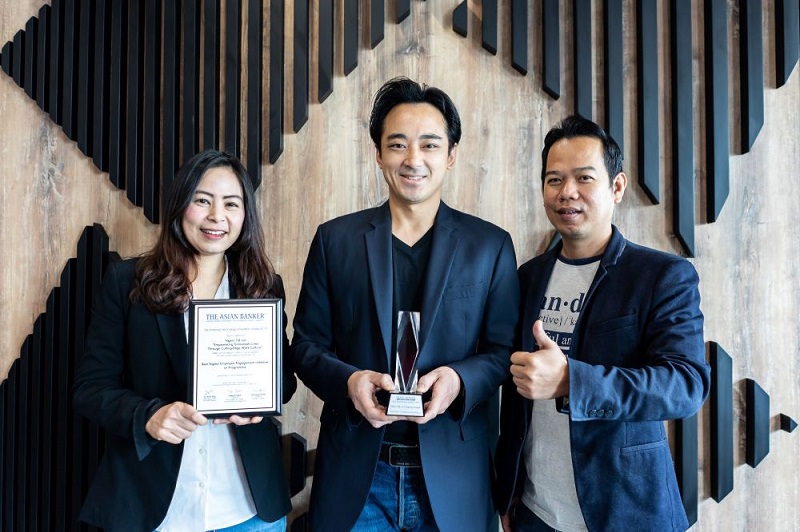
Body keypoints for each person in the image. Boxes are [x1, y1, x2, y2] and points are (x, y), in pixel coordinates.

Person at [290, 77, 520, 531]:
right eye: (397, 144)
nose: (413, 159)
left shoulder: (490, 246)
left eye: (429, 145)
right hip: (357, 477)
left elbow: (503, 351)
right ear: (378, 154)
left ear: (451, 155)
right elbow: (306, 347)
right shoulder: (335, 241)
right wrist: (349, 381)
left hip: (454, 477)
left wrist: (459, 380)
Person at [493, 115, 711, 532]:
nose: (567, 192)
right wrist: (509, 489)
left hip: (627, 514)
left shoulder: (661, 276)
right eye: (554, 179)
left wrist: (572, 381)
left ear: (617, 187)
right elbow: (516, 394)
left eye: (584, 178)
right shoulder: (526, 278)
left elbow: (685, 385)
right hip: (536, 514)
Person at [73, 149, 296, 531]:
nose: (217, 216)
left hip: (248, 509)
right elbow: (90, 388)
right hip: (155, 508)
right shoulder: (127, 283)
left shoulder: (262, 287)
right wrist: (149, 416)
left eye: (231, 204)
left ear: (245, 215)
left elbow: (284, 382)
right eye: (203, 201)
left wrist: (258, 401)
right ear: (180, 206)